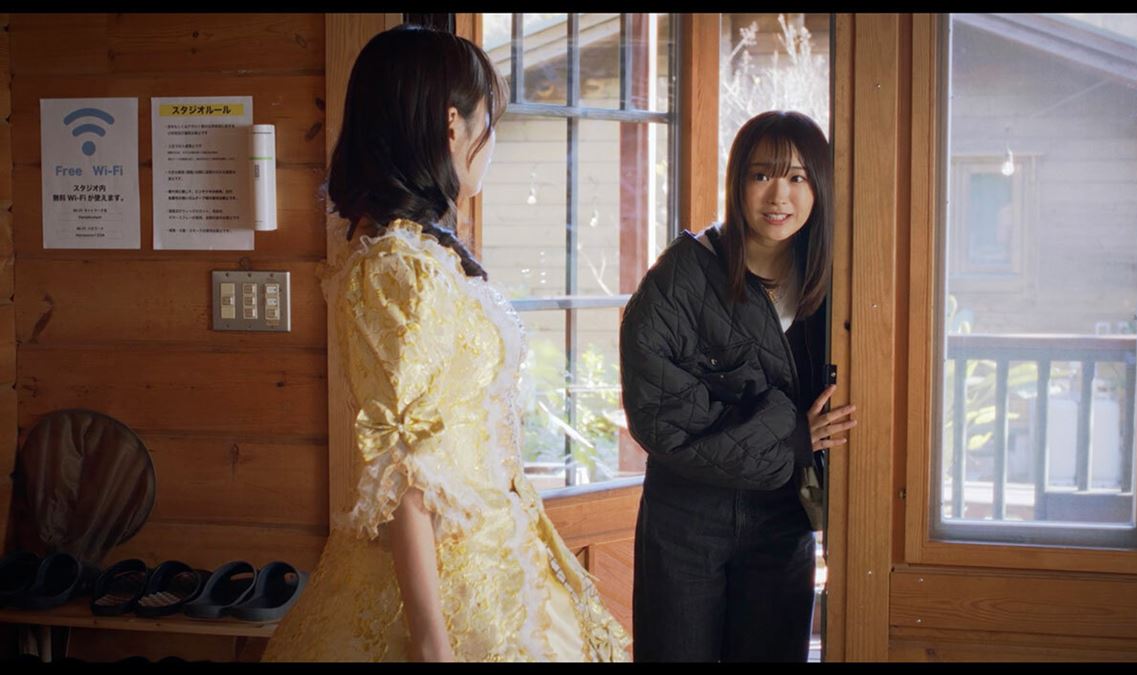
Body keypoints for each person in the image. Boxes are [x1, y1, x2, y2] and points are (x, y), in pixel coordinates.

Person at [260, 25, 629, 662]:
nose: (493, 141)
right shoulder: (398, 266)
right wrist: (433, 643)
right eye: (490, 119)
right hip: (451, 578)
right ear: (451, 124)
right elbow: (404, 465)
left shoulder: (411, 252)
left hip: (493, 551)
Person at [618, 110, 857, 662]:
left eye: (797, 177)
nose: (779, 195)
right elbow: (660, 418)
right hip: (685, 519)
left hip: (781, 519)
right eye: (761, 175)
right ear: (737, 183)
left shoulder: (836, 280)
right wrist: (792, 437)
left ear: (820, 187)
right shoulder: (681, 275)